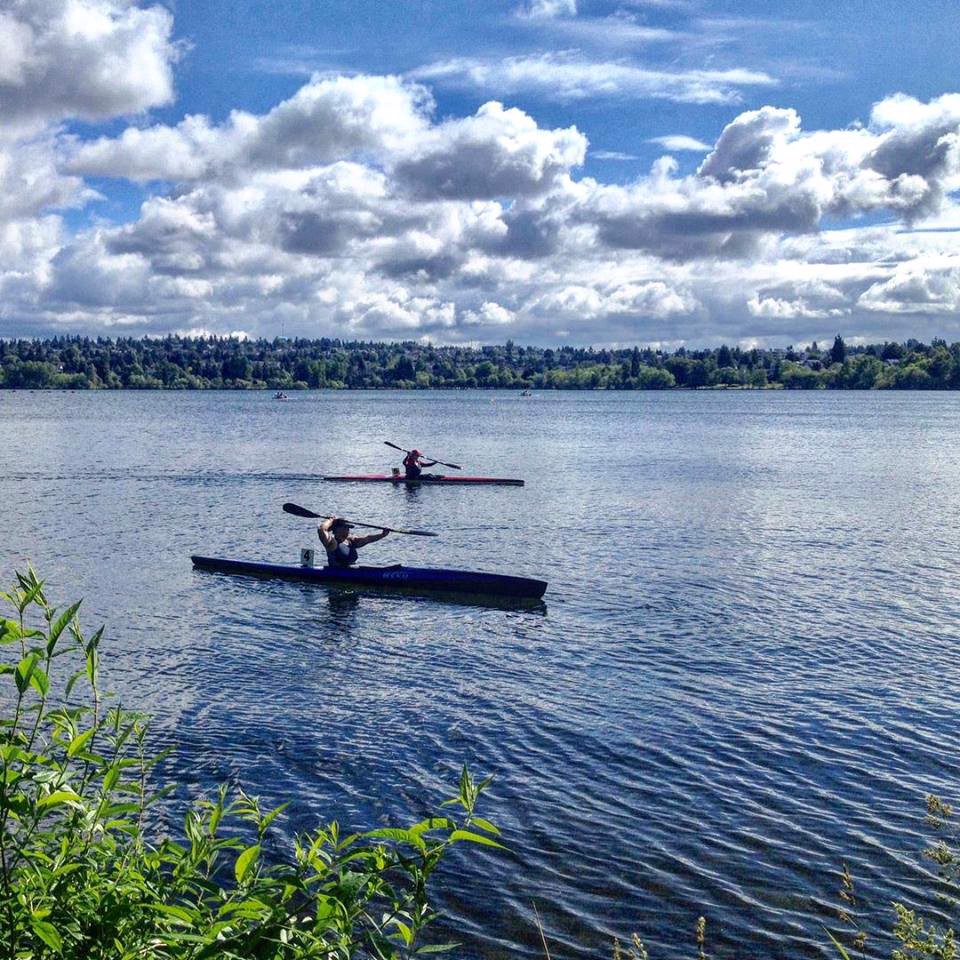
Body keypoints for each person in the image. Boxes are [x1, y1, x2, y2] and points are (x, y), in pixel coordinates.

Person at [317, 517, 388, 568]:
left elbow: (367, 539)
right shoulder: (332, 543)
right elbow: (322, 529)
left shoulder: (351, 541)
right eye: (344, 527)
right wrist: (330, 520)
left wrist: (382, 535)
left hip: (351, 570)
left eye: (348, 528)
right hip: (336, 573)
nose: (347, 530)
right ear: (336, 529)